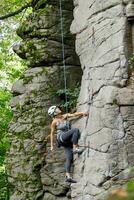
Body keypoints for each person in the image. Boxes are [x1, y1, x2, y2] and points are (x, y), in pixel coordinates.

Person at [48, 105, 88, 183]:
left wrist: (82, 113)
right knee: (75, 130)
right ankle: (75, 148)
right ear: (55, 113)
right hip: (61, 137)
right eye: (57, 109)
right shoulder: (54, 122)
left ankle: (68, 176)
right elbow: (52, 134)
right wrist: (52, 146)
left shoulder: (65, 116)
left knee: (69, 157)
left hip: (67, 140)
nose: (59, 109)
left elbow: (74, 114)